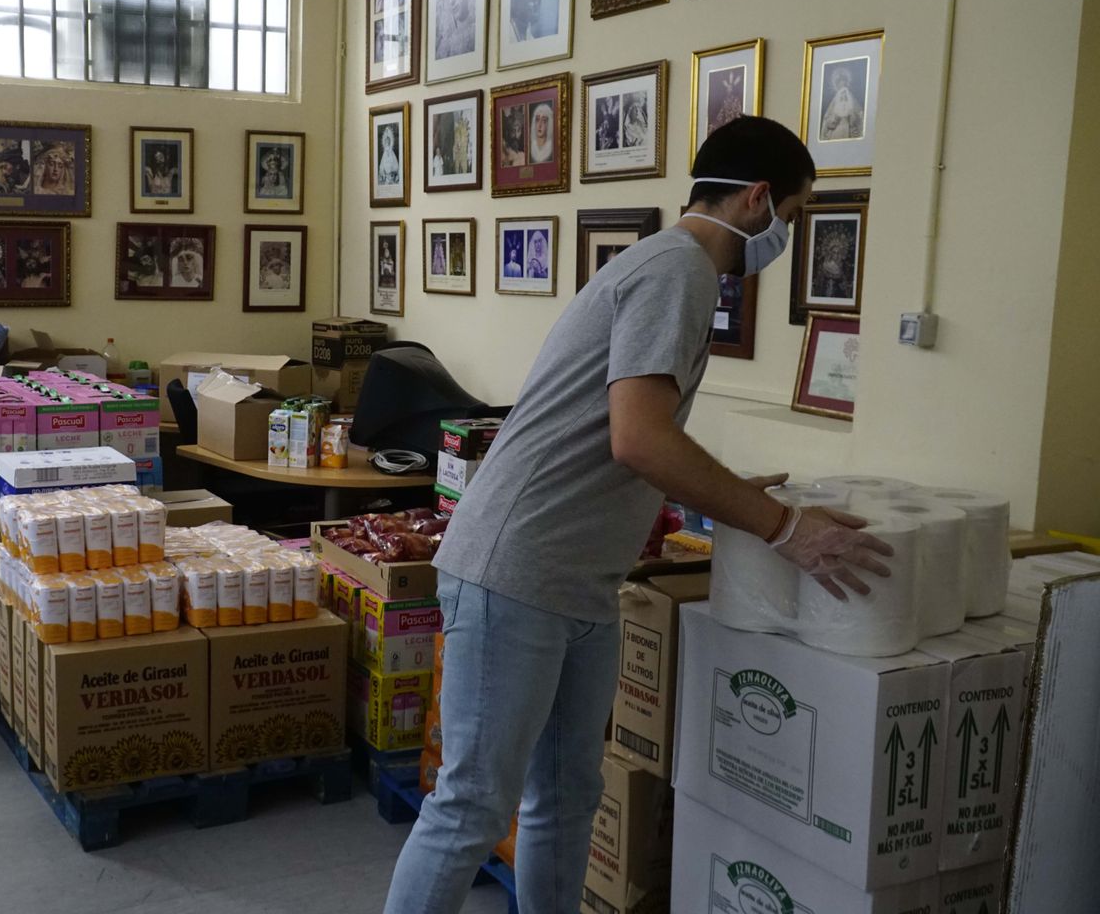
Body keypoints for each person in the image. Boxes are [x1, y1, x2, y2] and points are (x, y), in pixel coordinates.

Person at [383, 116, 893, 914]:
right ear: (757, 198)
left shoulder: (671, 268)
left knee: (566, 796)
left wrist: (728, 491)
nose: (784, 237)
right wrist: (785, 529)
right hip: (515, 571)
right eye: (791, 216)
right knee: (473, 805)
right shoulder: (679, 271)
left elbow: (622, 434)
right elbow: (640, 439)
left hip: (581, 581)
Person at [821, 67, 864, 140]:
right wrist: (834, 119)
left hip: (849, 133)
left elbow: (860, 117)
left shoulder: (852, 102)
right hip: (836, 133)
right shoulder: (834, 104)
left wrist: (853, 117)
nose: (843, 97)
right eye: (841, 96)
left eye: (845, 96)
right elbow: (827, 122)